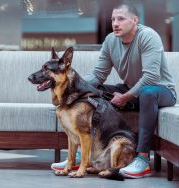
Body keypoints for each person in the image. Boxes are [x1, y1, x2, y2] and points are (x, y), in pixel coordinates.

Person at [51, 3, 176, 178]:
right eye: (113, 19)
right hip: (132, 90)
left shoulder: (148, 36)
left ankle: (142, 160)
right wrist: (71, 86)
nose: (115, 23)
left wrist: (125, 97)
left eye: (121, 19)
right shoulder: (111, 40)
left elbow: (151, 77)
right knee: (95, 91)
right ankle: (84, 154)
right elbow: (98, 75)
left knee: (147, 92)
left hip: (161, 91)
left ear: (135, 20)